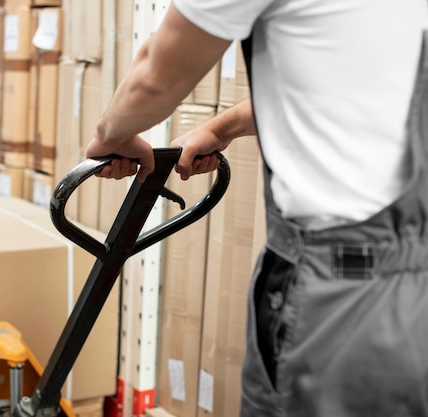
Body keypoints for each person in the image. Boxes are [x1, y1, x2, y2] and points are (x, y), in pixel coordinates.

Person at [85, 1, 428, 416]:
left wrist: (109, 138)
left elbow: (154, 78)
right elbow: (349, 81)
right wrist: (219, 128)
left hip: (340, 297)